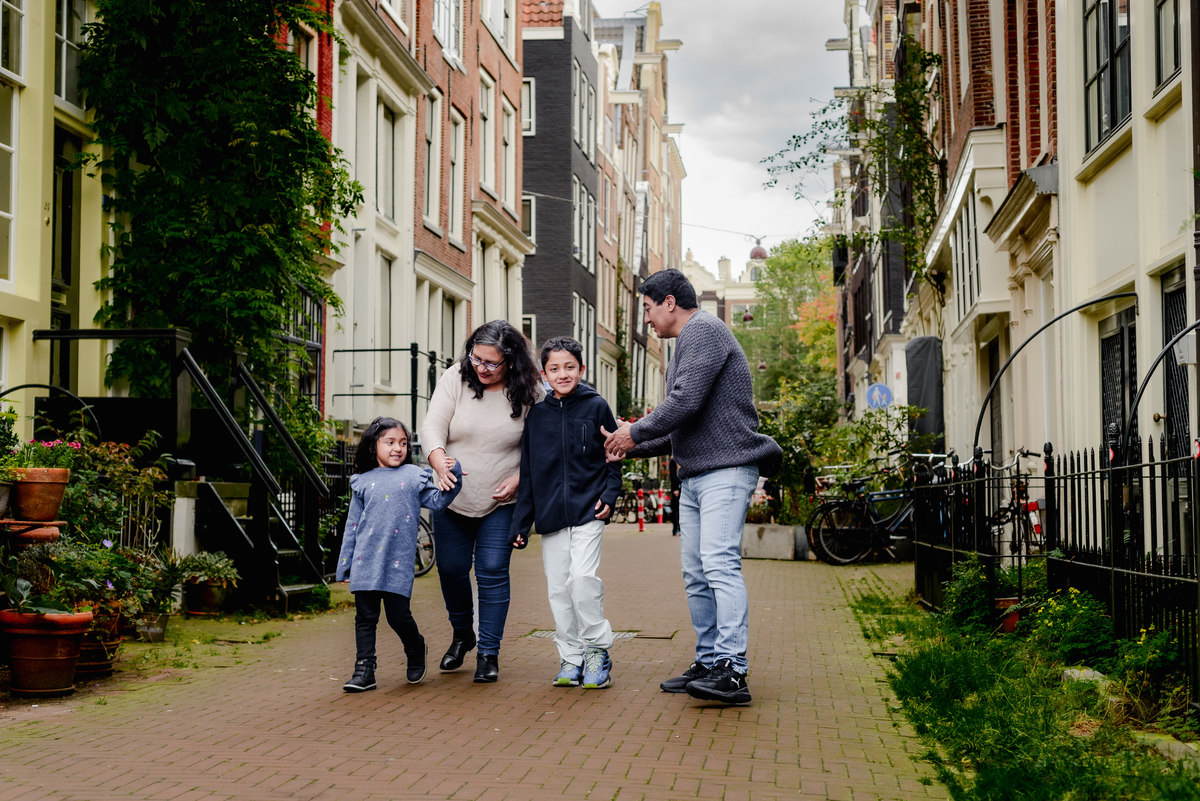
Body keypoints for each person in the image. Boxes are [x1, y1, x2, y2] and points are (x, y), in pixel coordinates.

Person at [602, 269, 782, 706]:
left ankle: (732, 672)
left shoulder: (703, 330)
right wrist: (625, 445)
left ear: (668, 302)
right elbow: (682, 426)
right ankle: (708, 662)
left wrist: (634, 431)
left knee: (719, 565)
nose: (645, 319)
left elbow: (684, 404)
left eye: (646, 308)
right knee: (697, 574)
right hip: (697, 475)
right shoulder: (688, 343)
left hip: (727, 470)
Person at [420, 320, 543, 683]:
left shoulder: (530, 391)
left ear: (511, 362)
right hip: (452, 496)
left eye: (492, 363)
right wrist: (438, 459)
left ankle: (489, 651)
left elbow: (541, 445)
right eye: (477, 359)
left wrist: (521, 479)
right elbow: (431, 427)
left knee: (491, 571)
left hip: (501, 501)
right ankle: (462, 634)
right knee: (452, 570)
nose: (482, 368)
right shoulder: (455, 377)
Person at [510, 336, 622, 689]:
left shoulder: (596, 406)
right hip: (551, 516)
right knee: (559, 588)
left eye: (569, 367)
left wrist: (611, 492)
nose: (562, 374)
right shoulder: (537, 417)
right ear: (544, 374)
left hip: (589, 509)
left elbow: (614, 455)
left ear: (581, 369)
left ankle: (597, 650)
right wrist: (521, 523)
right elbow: (528, 473)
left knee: (582, 580)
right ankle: (571, 656)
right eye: (554, 369)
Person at [336, 417, 462, 692]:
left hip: (397, 562)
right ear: (373, 447)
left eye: (403, 443)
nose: (398, 448)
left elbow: (439, 502)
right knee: (365, 618)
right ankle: (364, 670)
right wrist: (344, 564)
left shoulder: (414, 476)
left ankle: (416, 647)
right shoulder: (362, 482)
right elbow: (352, 526)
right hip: (365, 561)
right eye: (390, 442)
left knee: (398, 617)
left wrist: (454, 475)